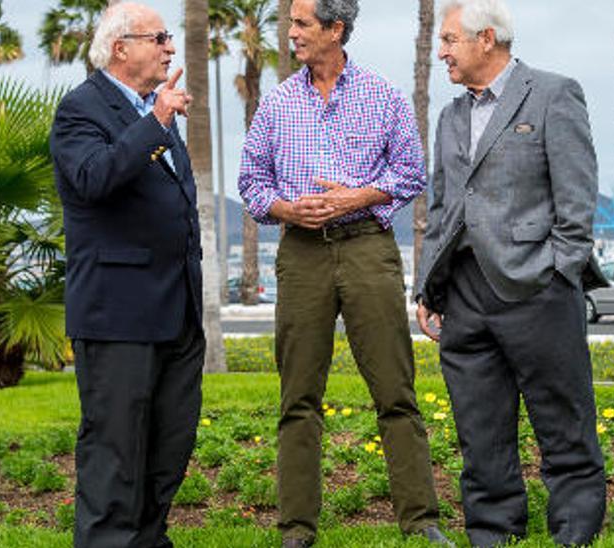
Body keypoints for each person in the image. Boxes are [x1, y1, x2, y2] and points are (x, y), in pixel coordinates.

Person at [237, 1, 452, 546]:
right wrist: (289, 210)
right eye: (290, 24)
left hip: (367, 250)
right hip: (301, 255)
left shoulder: (383, 95)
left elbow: (409, 173)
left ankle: (421, 522)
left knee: (395, 391)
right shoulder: (278, 103)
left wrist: (356, 196)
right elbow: (251, 182)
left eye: (302, 24)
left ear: (336, 29)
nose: (291, 34)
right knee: (298, 396)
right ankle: (296, 530)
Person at [414, 0, 607, 545]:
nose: (442, 51)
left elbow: (577, 199)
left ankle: (573, 534)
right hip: (466, 295)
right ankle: (493, 534)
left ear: (487, 39)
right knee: (480, 434)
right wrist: (429, 285)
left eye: (450, 39)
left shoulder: (553, 94)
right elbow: (444, 207)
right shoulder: (450, 116)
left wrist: (558, 270)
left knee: (564, 428)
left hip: (538, 289)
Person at [49, 3, 202, 547]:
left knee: (170, 443)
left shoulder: (152, 109)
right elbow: (94, 178)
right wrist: (156, 123)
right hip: (118, 315)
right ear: (120, 47)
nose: (169, 47)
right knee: (115, 451)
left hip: (175, 314)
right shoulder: (80, 110)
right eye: (159, 37)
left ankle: (148, 539)